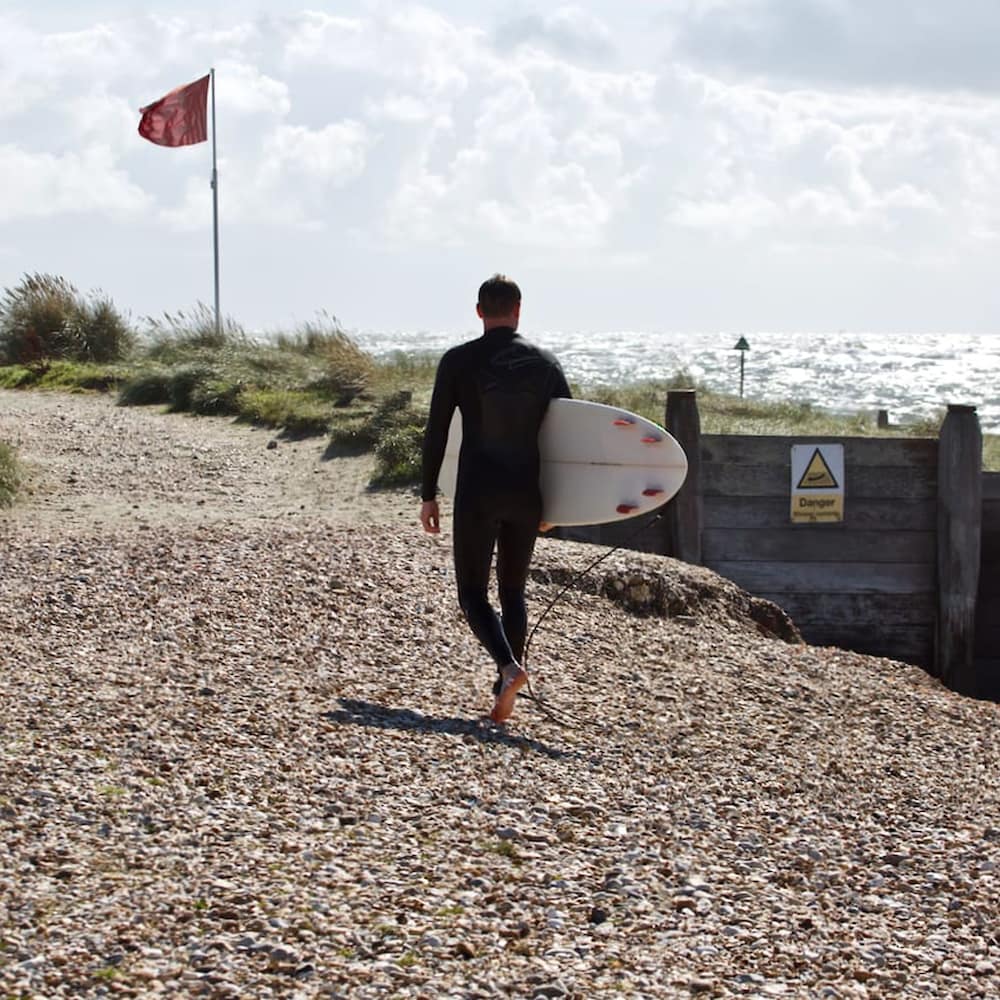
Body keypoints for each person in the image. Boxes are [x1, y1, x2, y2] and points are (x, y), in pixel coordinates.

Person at [420, 274, 571, 724]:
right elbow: (570, 438)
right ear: (518, 310)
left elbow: (437, 430)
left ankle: (508, 669)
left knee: (472, 593)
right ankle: (504, 688)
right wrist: (559, 505)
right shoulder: (545, 363)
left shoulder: (458, 361)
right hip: (527, 492)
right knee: (513, 591)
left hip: (479, 490)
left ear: (479, 311)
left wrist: (428, 494)